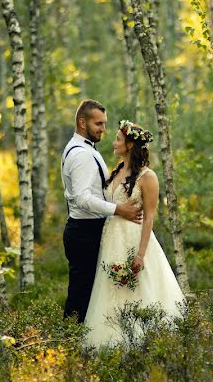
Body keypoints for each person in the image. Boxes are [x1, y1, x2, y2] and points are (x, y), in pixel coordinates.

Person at [83, 120, 187, 348]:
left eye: (118, 139)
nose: (114, 143)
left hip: (135, 240)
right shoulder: (117, 170)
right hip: (112, 239)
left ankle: (144, 342)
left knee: (138, 289)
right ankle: (111, 342)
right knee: (112, 288)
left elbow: (149, 217)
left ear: (130, 144)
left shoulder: (148, 177)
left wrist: (140, 255)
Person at [62, 100, 143, 322]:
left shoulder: (86, 149)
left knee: (92, 293)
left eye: (105, 124)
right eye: (98, 123)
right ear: (82, 122)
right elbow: (82, 198)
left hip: (90, 229)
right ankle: (70, 342)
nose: (103, 129)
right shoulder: (80, 154)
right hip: (84, 232)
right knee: (81, 294)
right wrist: (118, 209)